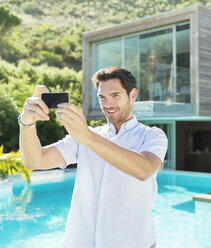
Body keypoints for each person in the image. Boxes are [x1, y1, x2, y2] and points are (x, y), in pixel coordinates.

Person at [18, 66, 168, 248]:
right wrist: (26, 123)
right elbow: (34, 161)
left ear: (133, 95)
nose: (108, 104)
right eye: (102, 97)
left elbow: (144, 170)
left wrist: (87, 137)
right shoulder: (84, 135)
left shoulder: (152, 135)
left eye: (115, 95)